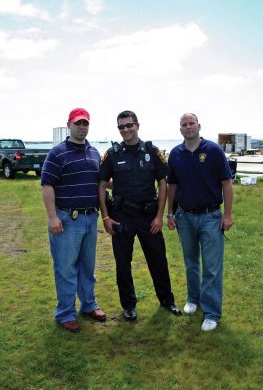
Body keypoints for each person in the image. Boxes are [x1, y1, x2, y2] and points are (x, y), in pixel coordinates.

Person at [98, 110, 181, 321]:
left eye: (129, 125)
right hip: (121, 217)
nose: (125, 130)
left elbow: (163, 183)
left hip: (148, 216)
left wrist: (159, 216)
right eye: (121, 127)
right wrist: (106, 218)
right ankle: (129, 306)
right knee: (123, 264)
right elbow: (100, 185)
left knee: (158, 261)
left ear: (137, 125)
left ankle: (167, 301)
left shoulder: (152, 152)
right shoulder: (112, 154)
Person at [167, 113, 234, 331]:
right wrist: (170, 213)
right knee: (191, 262)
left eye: (191, 123)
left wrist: (228, 214)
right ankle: (193, 299)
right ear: (180, 129)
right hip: (184, 216)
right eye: (184, 124)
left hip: (211, 217)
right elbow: (172, 186)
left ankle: (212, 312)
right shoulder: (176, 154)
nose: (188, 127)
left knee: (212, 267)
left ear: (199, 126)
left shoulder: (213, 150)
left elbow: (226, 183)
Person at [41, 107, 106, 333]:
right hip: (68, 219)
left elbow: (101, 184)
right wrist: (52, 217)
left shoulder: (95, 153)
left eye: (85, 123)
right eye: (78, 123)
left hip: (90, 218)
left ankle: (89, 305)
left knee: (87, 267)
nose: (82, 127)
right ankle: (65, 313)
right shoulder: (57, 153)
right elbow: (47, 185)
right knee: (66, 268)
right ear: (69, 125)